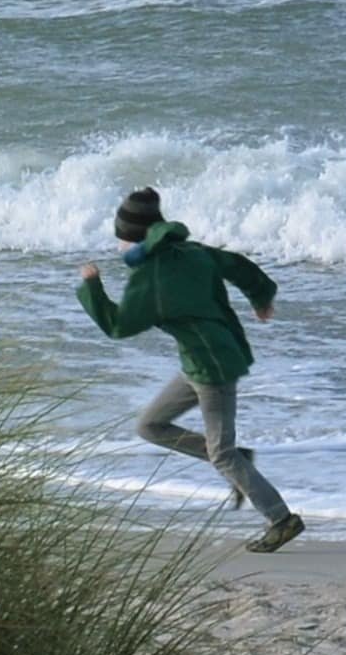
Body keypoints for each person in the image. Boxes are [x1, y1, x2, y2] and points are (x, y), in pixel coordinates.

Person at [82, 187, 305, 552]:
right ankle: (239, 461)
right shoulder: (191, 251)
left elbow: (119, 326)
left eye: (120, 238)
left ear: (134, 239)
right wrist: (261, 296)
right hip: (202, 359)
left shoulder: (151, 277)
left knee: (221, 453)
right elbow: (236, 264)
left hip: (211, 366)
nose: (118, 245)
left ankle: (282, 519)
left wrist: (92, 287)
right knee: (149, 426)